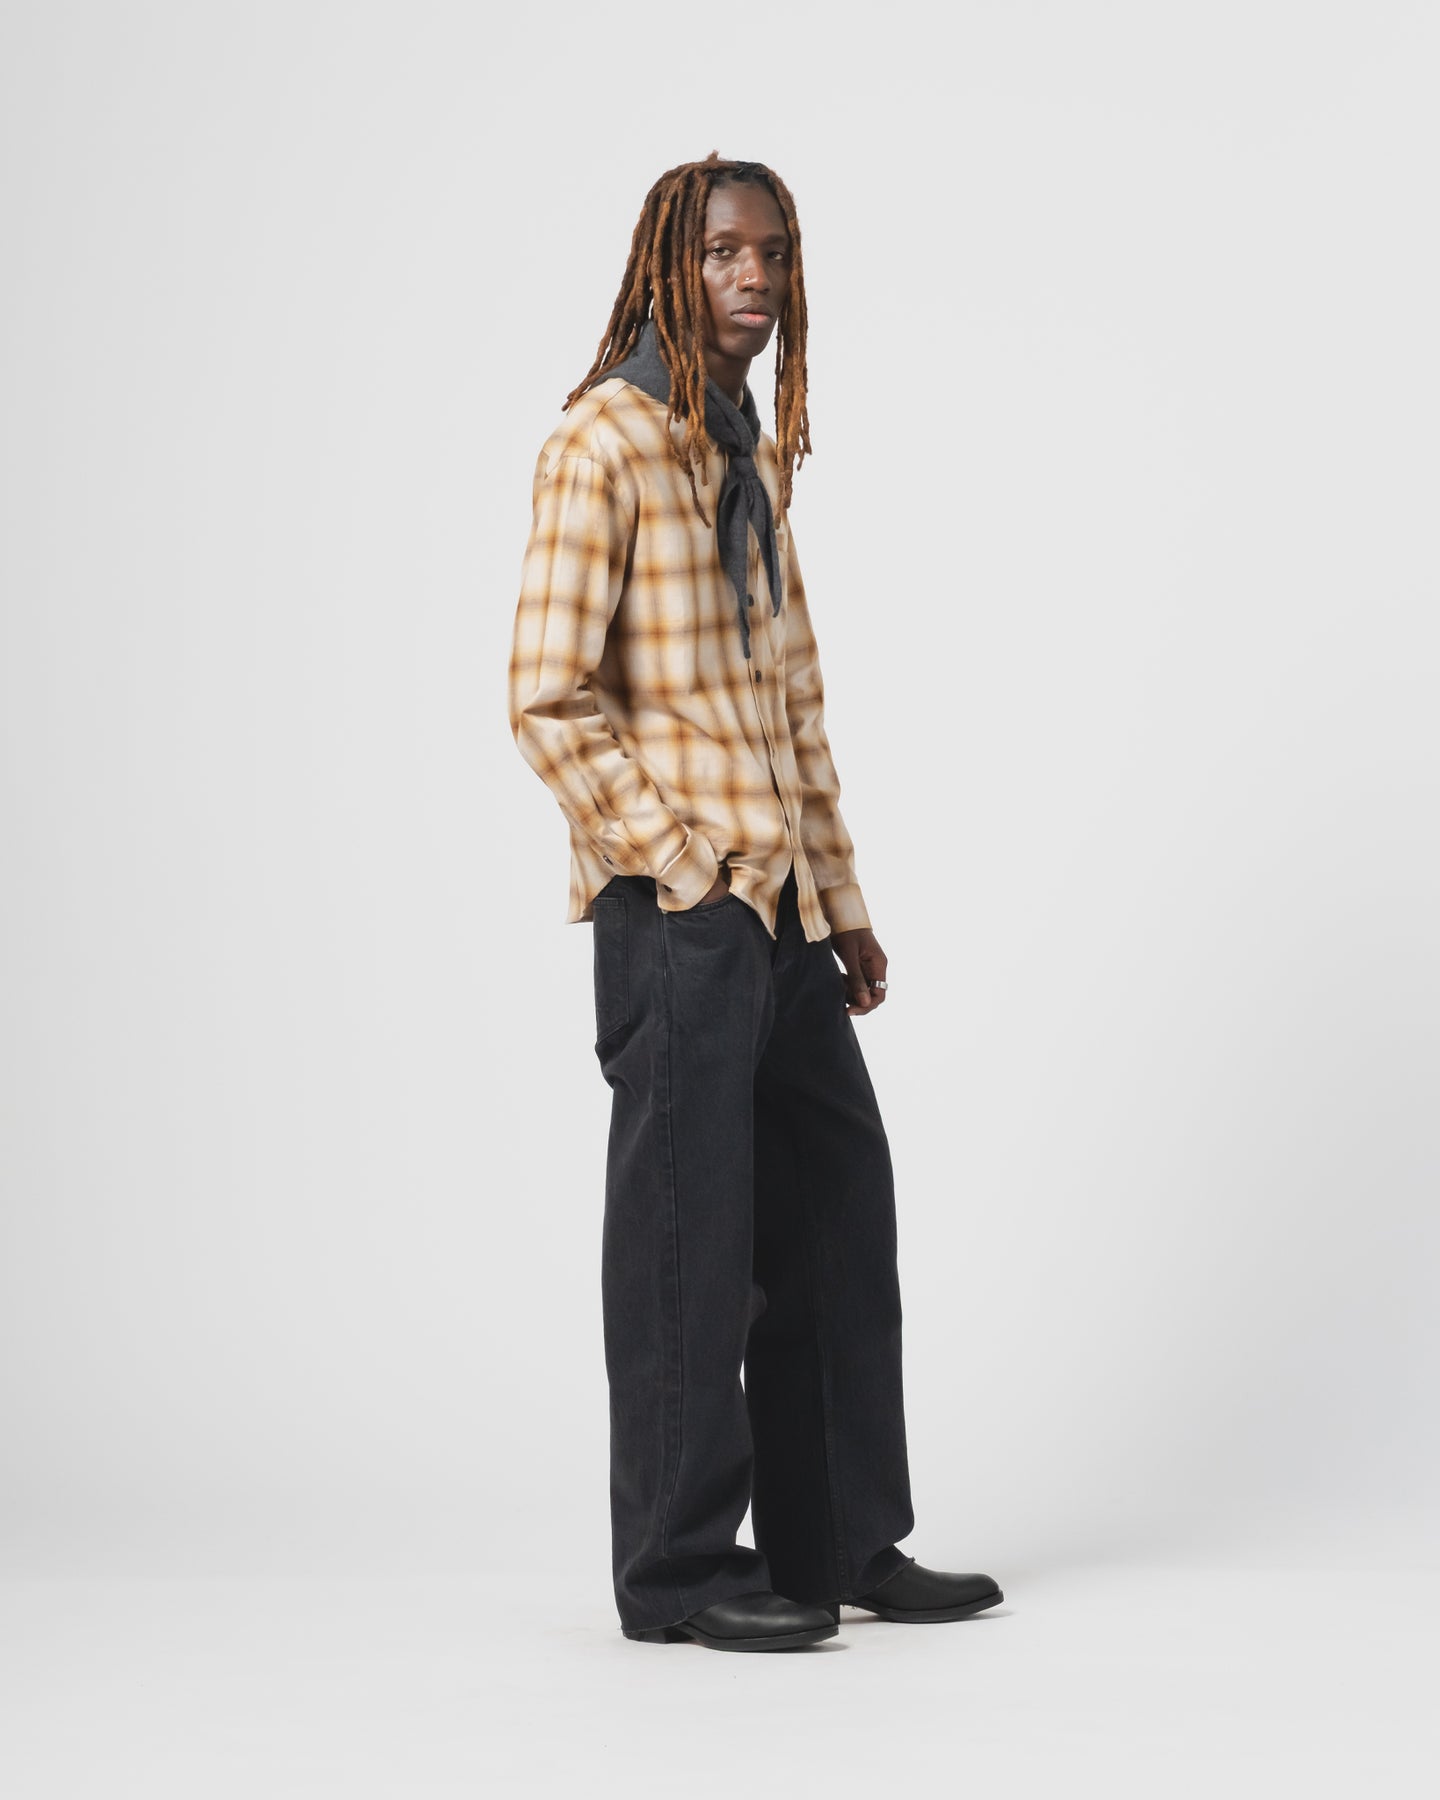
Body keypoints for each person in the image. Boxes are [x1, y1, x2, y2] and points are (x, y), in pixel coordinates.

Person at [507, 152, 1004, 1652]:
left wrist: (838, 900)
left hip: (777, 910)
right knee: (690, 1239)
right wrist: (682, 867)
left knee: (839, 1204)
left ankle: (839, 1537)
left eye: (773, 254)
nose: (754, 280)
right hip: (682, 914)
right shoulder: (601, 443)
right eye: (724, 252)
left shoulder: (750, 457)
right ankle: (677, 1572)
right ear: (669, 264)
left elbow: (791, 706)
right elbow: (545, 695)